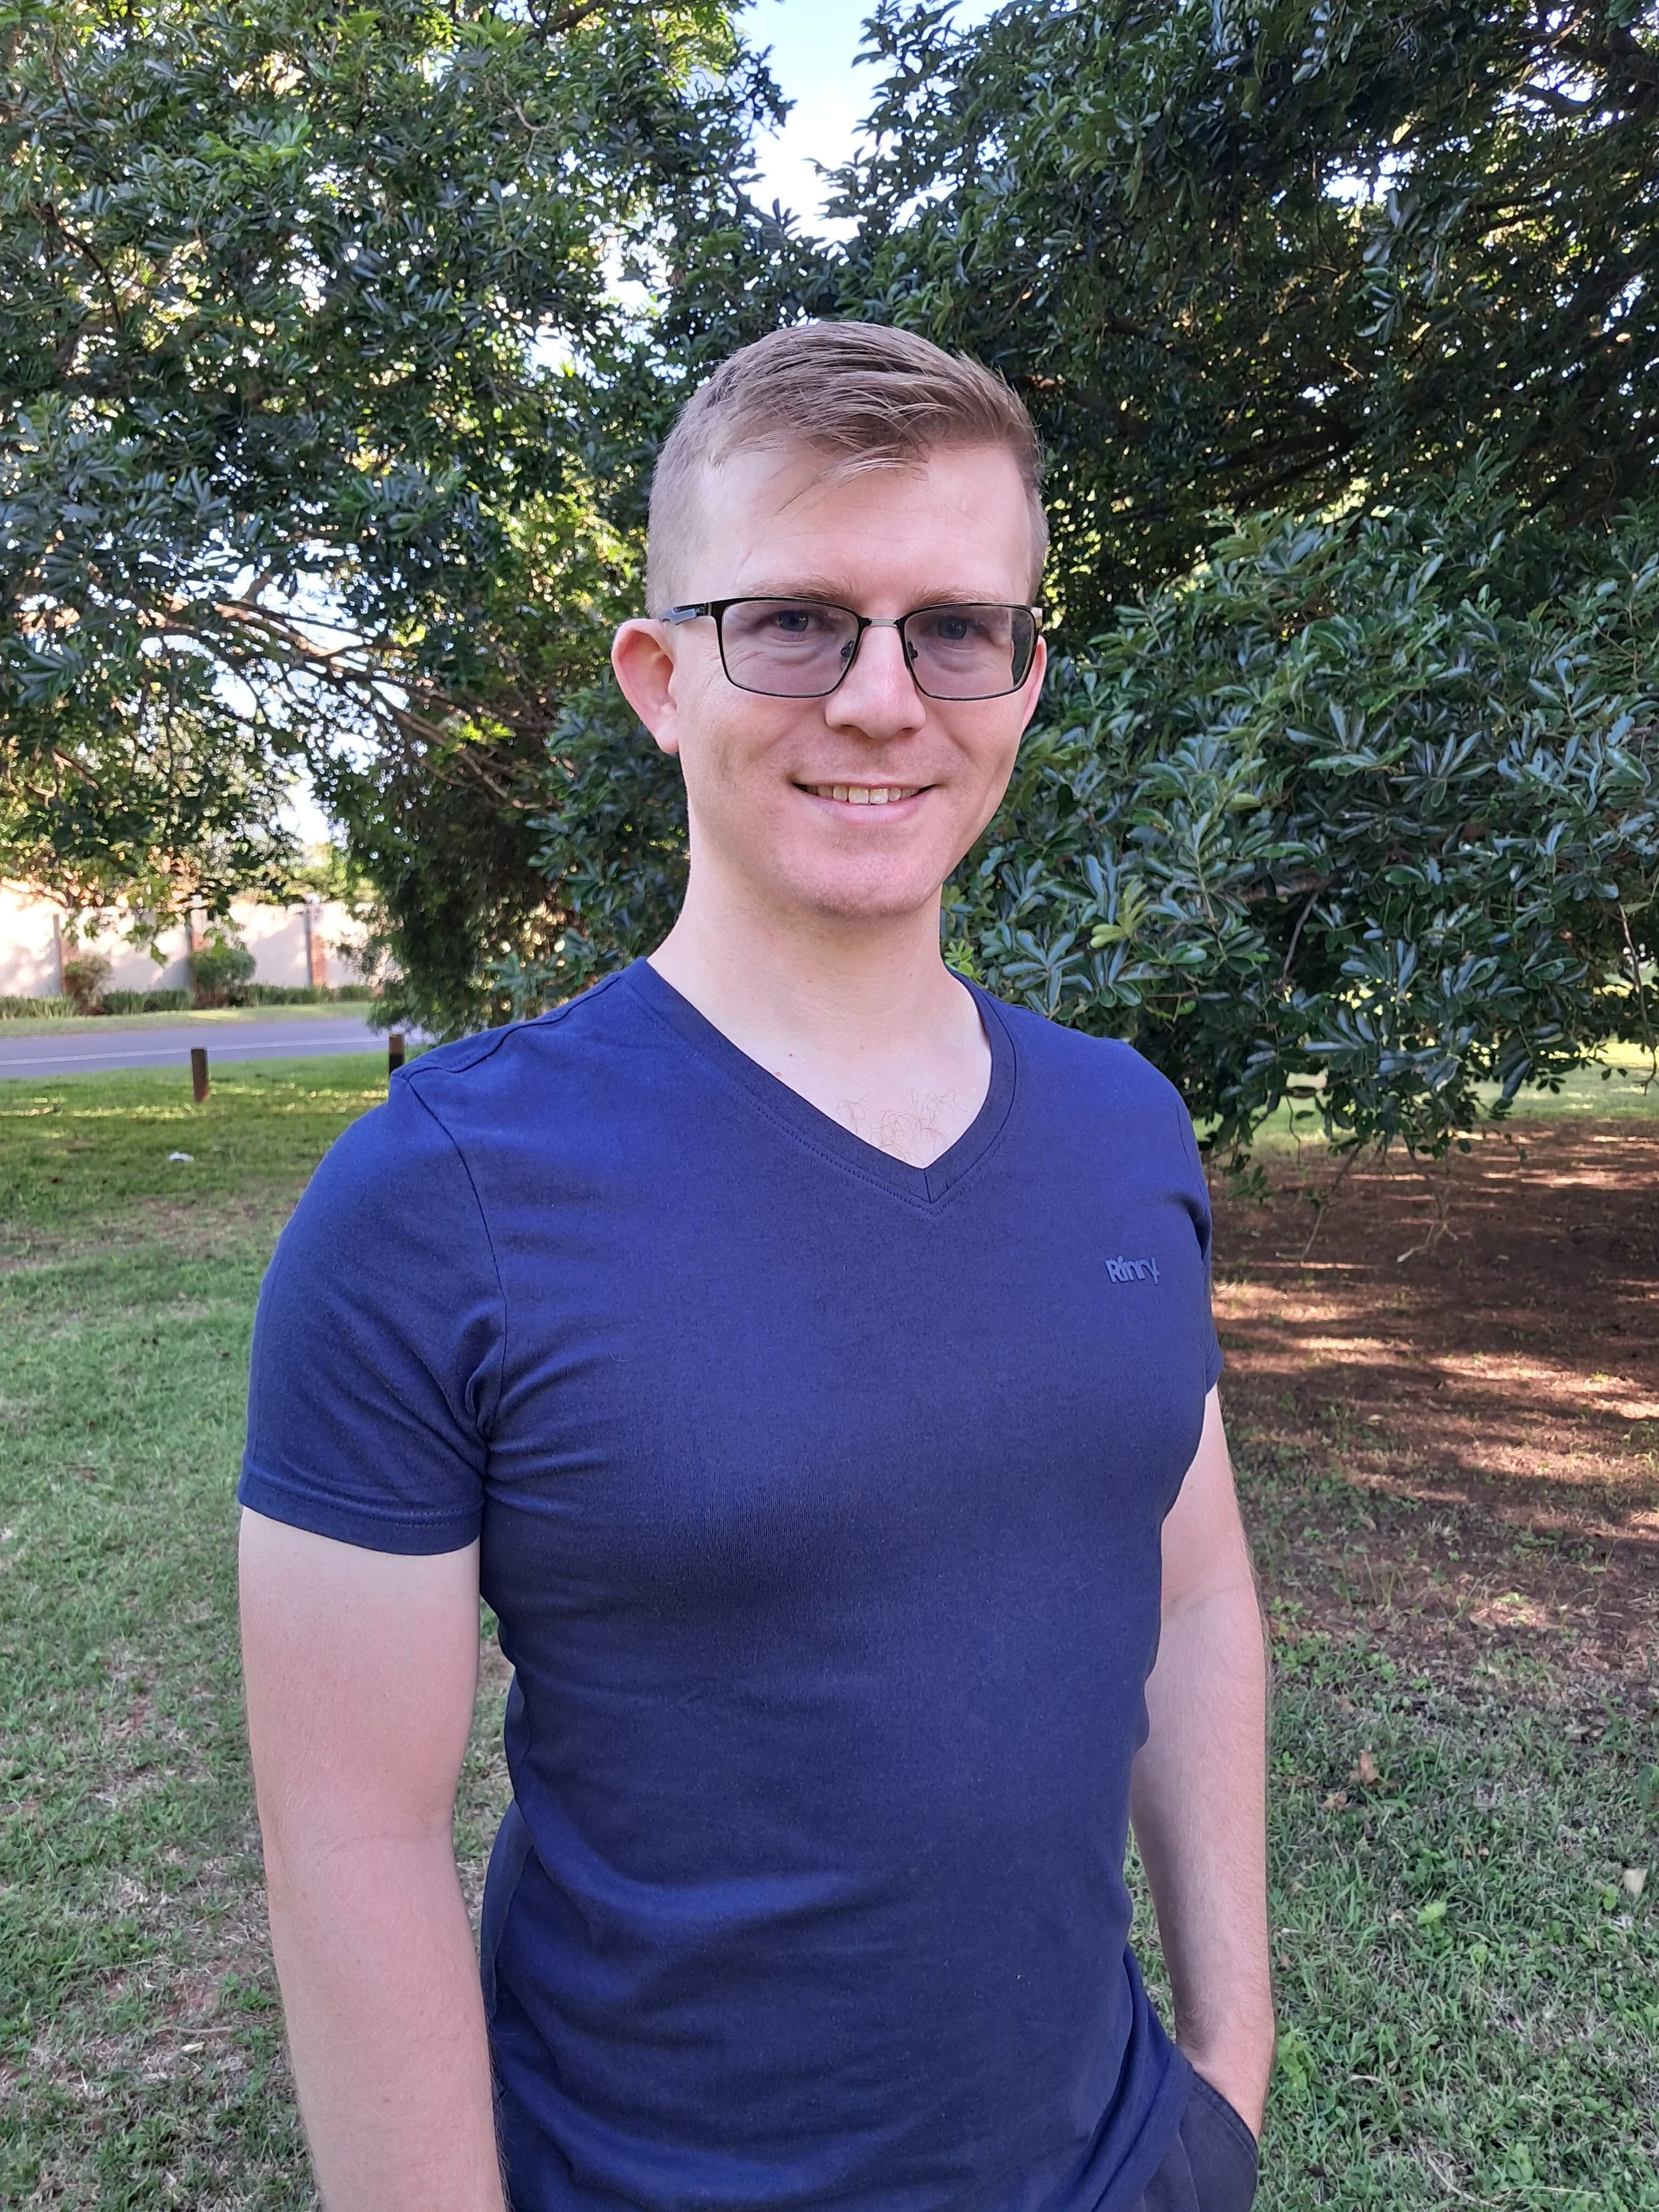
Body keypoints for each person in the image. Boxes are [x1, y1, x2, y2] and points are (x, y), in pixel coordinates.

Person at [238, 321, 1273, 2212]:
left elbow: (1192, 1592)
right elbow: (345, 1839)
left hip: (1125, 2161)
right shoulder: (436, 1195)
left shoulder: (1126, 1127)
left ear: (1026, 677)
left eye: (955, 627)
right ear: (657, 675)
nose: (883, 697)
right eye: (794, 619)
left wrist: (1232, 2064)